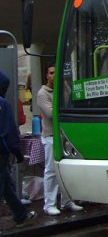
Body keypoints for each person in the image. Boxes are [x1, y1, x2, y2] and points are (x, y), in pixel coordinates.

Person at [37, 64, 83, 216]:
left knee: (67, 169)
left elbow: (72, 105)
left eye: (57, 73)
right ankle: (49, 204)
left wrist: (65, 88)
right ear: (46, 76)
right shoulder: (42, 93)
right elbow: (51, 114)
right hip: (51, 136)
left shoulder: (64, 89)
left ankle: (67, 201)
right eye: (51, 73)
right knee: (51, 171)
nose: (54, 76)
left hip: (64, 135)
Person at [0, 71, 36, 227]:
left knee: (7, 186)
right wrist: (17, 153)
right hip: (0, 152)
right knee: (2, 186)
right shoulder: (3, 104)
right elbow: (10, 133)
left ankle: (20, 214)